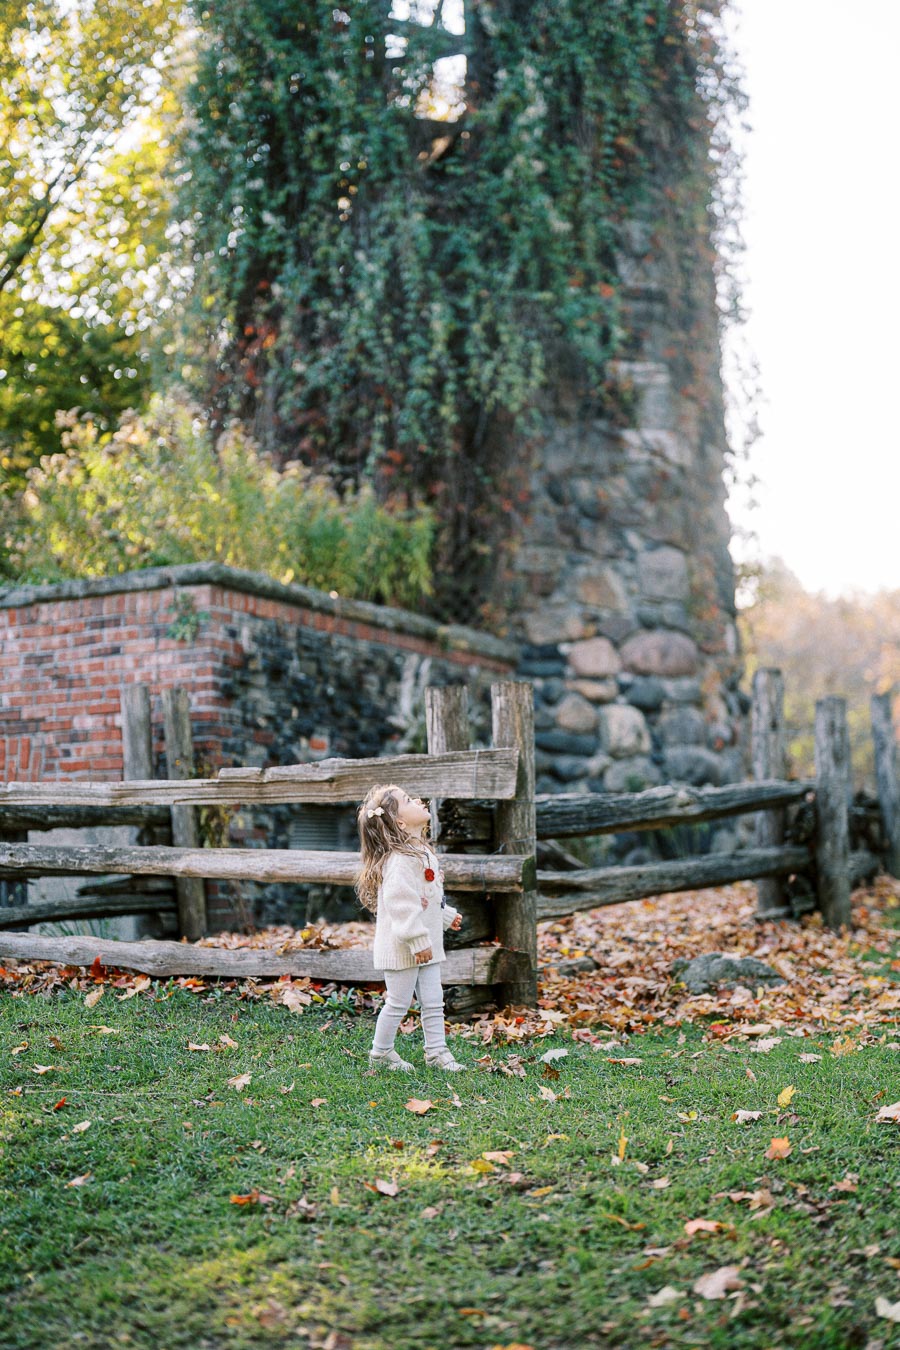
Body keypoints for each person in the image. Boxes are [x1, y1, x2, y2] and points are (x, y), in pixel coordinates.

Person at [356, 783, 466, 1072]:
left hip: (425, 944)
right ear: (401, 822)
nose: (418, 799)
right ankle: (380, 1054)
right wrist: (417, 940)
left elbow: (426, 898)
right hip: (404, 946)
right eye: (407, 800)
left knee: (434, 1001)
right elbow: (401, 905)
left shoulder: (421, 852)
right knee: (398, 1002)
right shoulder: (399, 861)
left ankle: (437, 1052)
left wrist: (445, 916)